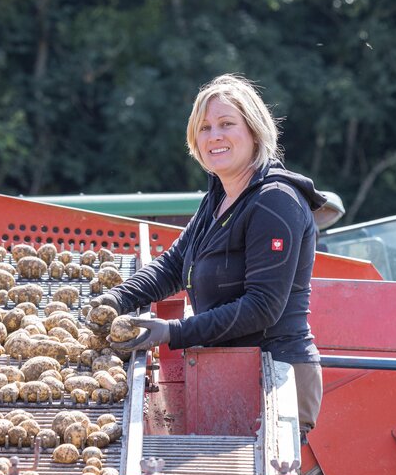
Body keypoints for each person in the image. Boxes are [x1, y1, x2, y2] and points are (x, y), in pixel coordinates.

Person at [88, 73, 325, 435]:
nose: (214, 135)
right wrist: (116, 298)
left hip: (275, 378)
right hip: (230, 372)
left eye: (226, 124)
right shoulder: (218, 196)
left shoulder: (276, 202)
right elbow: (173, 266)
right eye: (204, 127)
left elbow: (262, 306)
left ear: (255, 131)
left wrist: (172, 331)